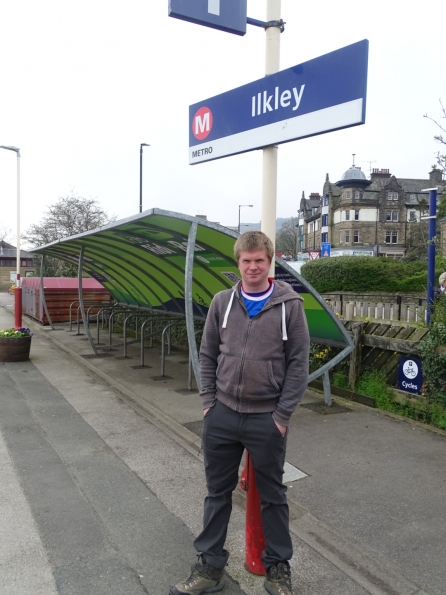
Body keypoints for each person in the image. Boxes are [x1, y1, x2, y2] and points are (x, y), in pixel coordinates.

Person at [170, 231, 310, 595]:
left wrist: (281, 417)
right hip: (223, 414)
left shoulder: (290, 305)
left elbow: (298, 364)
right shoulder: (222, 302)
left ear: (270, 262)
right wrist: (207, 403)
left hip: (267, 418)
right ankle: (209, 568)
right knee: (217, 492)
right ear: (238, 263)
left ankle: (278, 569)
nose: (252, 267)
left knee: (273, 495)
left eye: (259, 261)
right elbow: (208, 352)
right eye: (246, 261)